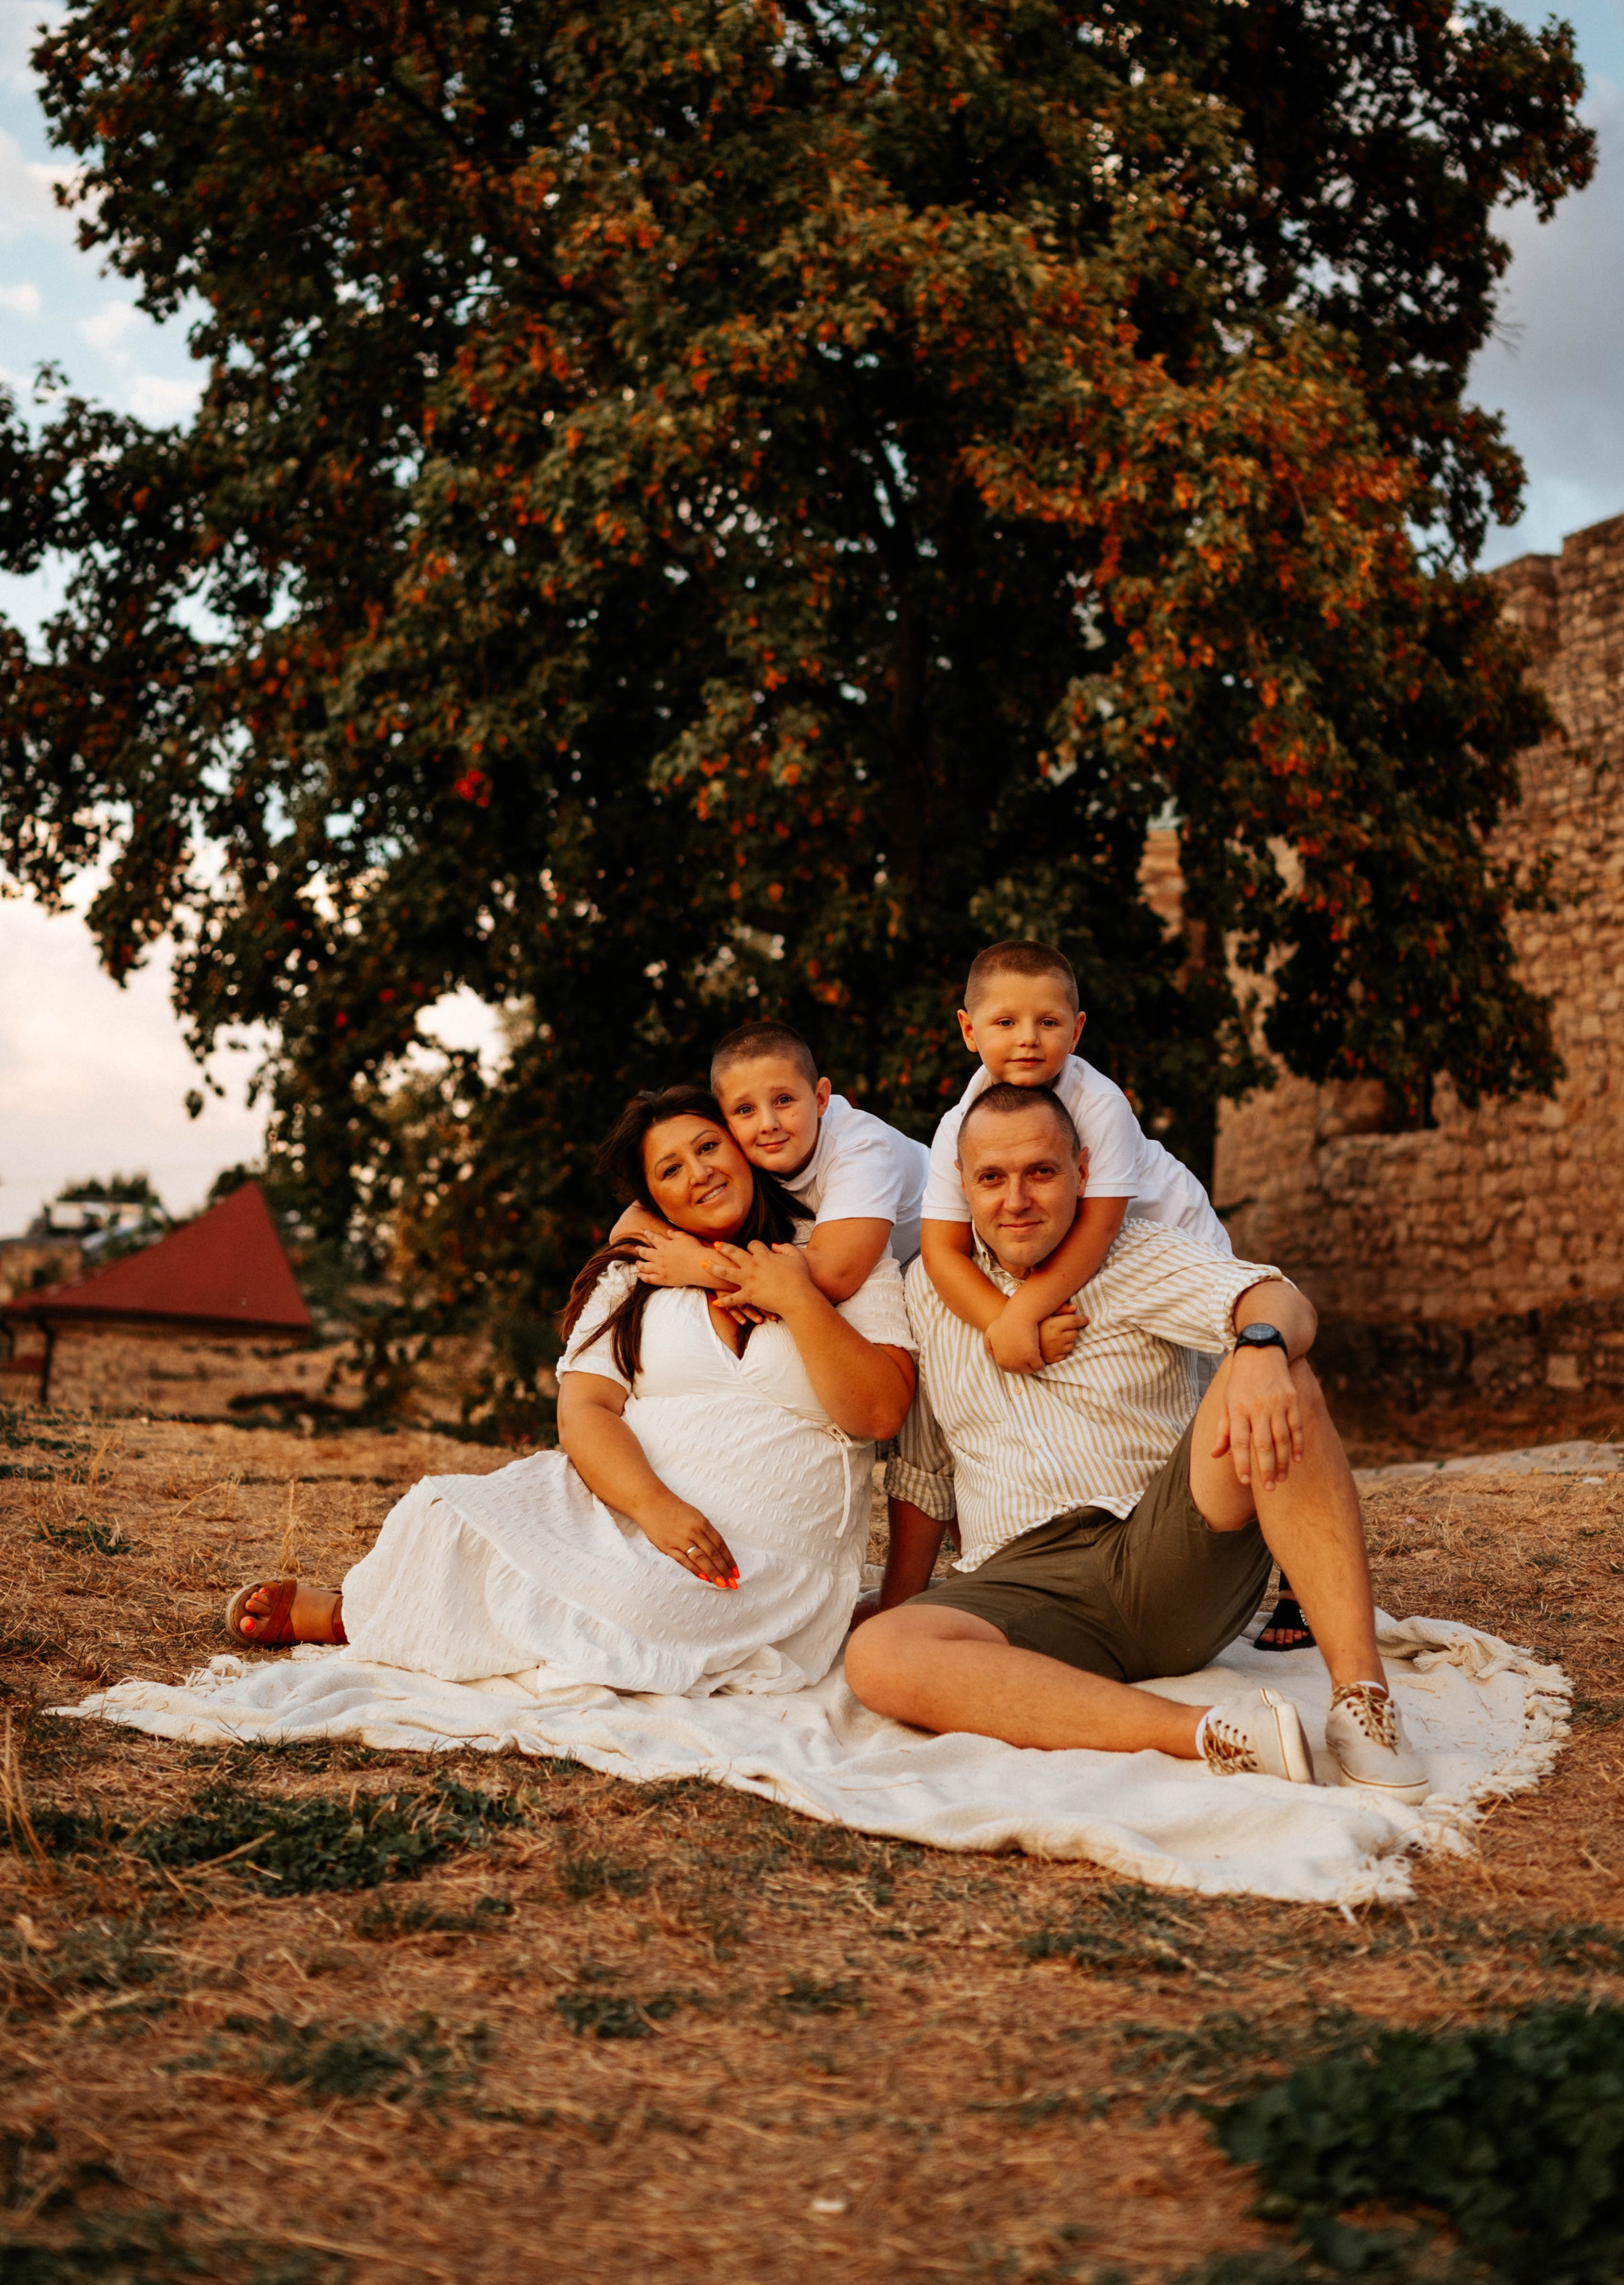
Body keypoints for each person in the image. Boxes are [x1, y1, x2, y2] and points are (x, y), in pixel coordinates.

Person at [224, 1086, 916, 1696]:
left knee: (644, 1601)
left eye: (709, 1145)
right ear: (652, 1198)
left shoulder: (836, 1260)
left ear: (740, 1146)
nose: (699, 1171)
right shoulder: (637, 1271)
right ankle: (357, 1611)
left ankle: (371, 1618)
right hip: (625, 1505)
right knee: (440, 1513)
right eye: (670, 1168)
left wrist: (795, 1297)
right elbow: (583, 1407)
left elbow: (880, 1412)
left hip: (760, 1553)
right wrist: (654, 1506)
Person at [845, 1083, 1427, 1800]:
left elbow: (1277, 1299)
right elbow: (925, 1475)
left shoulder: (1131, 1252)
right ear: (963, 1185)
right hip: (1025, 1584)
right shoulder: (928, 1293)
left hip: (1165, 1549)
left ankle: (1361, 1702)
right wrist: (902, 1603)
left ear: (1083, 1171)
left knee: (1280, 1371)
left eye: (1041, 1172)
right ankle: (1211, 1731)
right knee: (879, 1656)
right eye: (991, 1178)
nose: (1016, 1199)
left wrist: (1261, 1345)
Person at [919, 938, 1313, 1653]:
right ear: (968, 1030)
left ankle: (1298, 1579)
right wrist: (1000, 1323)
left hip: (1160, 1238)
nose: (1027, 1039)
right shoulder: (961, 1122)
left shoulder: (1096, 1102)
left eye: (1047, 1021)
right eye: (1004, 1023)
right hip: (1069, 1250)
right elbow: (941, 1248)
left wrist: (1029, 1308)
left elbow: (1100, 1228)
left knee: (1233, 1396)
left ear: (1077, 1028)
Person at [615, 1019, 929, 1313]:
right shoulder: (740, 1151)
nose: (768, 1124)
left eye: (783, 1101)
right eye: (745, 1109)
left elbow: (834, 1276)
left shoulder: (861, 1149)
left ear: (820, 1098)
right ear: (724, 1120)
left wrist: (702, 1266)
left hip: (943, 1255)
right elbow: (628, 1226)